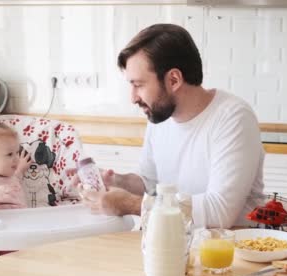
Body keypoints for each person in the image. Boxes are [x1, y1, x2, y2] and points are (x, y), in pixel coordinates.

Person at [81, 23, 265, 228]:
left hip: (230, 251)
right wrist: (116, 181)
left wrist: (130, 204)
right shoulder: (161, 116)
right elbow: (150, 184)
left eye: (139, 85)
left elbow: (219, 213)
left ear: (174, 79)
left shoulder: (233, 118)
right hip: (174, 242)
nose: (133, 98)